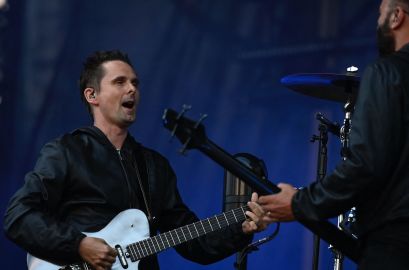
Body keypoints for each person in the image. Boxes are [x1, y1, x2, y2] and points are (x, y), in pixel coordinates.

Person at [259, 0, 409, 269]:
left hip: (401, 249)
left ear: (396, 16)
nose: (378, 21)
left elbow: (366, 167)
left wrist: (299, 203)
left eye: (381, 12)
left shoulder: (389, 71)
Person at [3, 50, 267, 270]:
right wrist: (78, 245)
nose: (132, 89)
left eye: (135, 83)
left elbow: (193, 243)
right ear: (92, 95)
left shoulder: (154, 166)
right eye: (120, 82)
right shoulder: (66, 151)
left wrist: (239, 229)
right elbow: (19, 216)